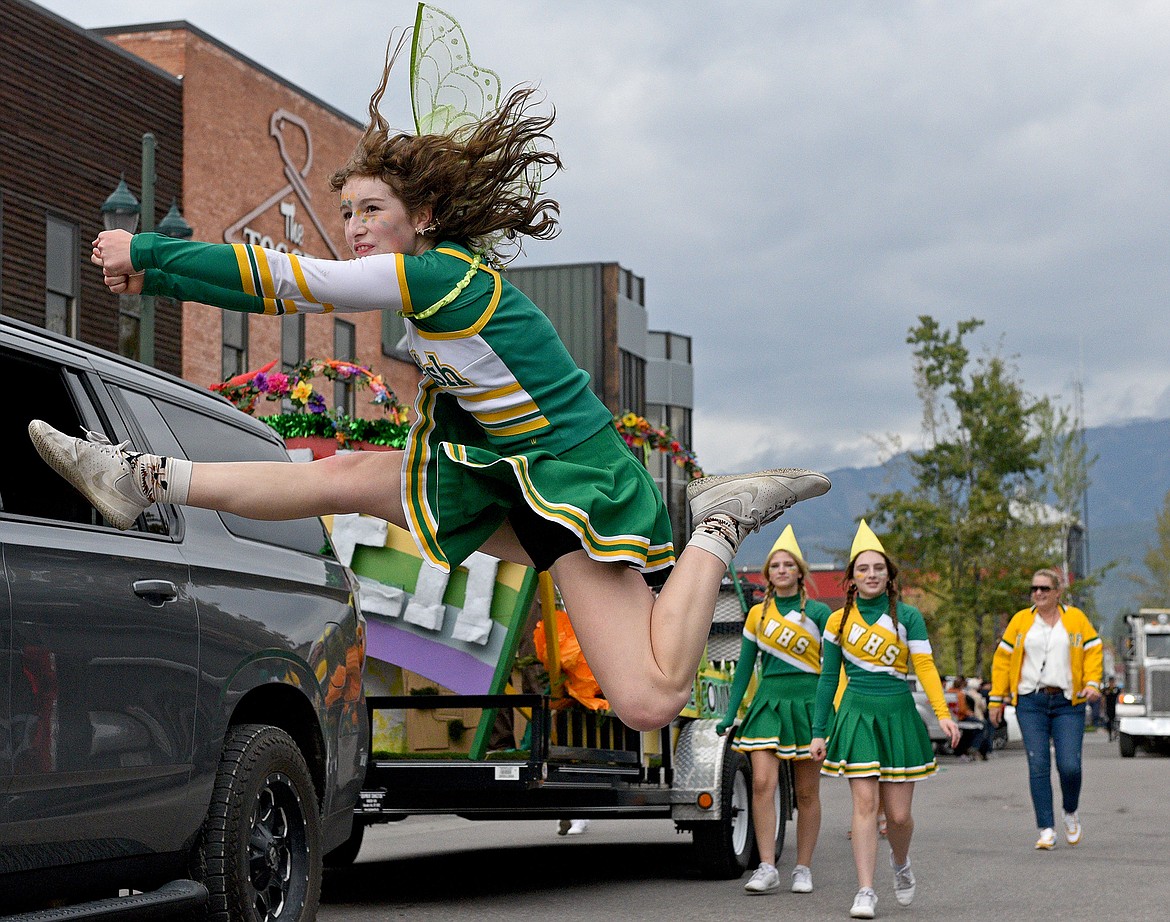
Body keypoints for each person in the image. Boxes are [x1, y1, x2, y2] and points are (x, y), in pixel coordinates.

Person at [28, 37, 830, 736]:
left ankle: (719, 522)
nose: (354, 226)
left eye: (373, 208)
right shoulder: (434, 286)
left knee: (651, 699)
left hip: (568, 480)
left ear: (428, 215)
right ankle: (141, 477)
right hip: (499, 473)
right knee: (340, 477)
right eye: (346, 211)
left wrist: (151, 256)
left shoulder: (444, 279)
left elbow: (287, 281)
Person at [809, 520, 958, 920]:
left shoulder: (908, 617)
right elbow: (827, 679)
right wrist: (818, 730)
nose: (871, 574)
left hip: (898, 714)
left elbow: (925, 666)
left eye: (879, 568)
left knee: (899, 817)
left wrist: (943, 714)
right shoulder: (837, 622)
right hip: (857, 713)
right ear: (852, 579)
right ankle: (865, 889)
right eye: (863, 569)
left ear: (890, 576)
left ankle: (900, 862)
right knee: (863, 804)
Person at [716, 525, 831, 895]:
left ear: (799, 571)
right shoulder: (756, 616)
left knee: (807, 792)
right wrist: (731, 713)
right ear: (767, 575)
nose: (781, 570)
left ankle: (803, 867)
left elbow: (833, 670)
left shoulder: (819, 613)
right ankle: (767, 865)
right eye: (775, 566)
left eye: (788, 565)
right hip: (768, 702)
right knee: (763, 783)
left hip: (808, 703)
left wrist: (830, 716)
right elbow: (745, 668)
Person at [989, 569, 1102, 850]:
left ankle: (1070, 811)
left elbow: (1093, 650)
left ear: (1057, 592)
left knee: (1070, 766)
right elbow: (1002, 660)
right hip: (1031, 701)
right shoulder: (1020, 621)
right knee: (1038, 764)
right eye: (1034, 588)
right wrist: (995, 698)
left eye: (1044, 588)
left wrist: (1092, 683)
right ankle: (1046, 828)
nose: (1038, 593)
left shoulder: (1075, 619)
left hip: (1068, 702)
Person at [1102, 676, 1120, 742]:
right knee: (1109, 722)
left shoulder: (1116, 689)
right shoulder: (1106, 689)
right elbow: (1103, 698)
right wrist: (1103, 707)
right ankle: (1110, 735)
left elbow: (1119, 696)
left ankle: (1115, 734)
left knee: (1115, 722)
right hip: (1108, 707)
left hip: (1116, 707)